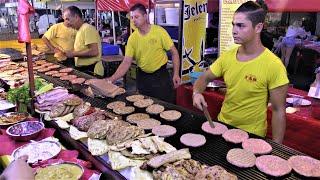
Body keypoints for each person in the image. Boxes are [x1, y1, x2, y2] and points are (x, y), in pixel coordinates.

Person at [193, 1, 289, 144]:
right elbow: (205, 78)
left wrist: (276, 148)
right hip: (223, 127)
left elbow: (278, 111)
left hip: (252, 135)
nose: (234, 30)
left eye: (241, 25)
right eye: (233, 24)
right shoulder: (227, 57)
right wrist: (197, 93)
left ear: (258, 27)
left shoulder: (274, 65)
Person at [87, 3, 181, 103]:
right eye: (132, 17)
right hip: (143, 77)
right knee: (143, 105)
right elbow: (127, 62)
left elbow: (174, 53)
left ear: (145, 16)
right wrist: (112, 79)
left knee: (166, 105)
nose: (133, 20)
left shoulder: (159, 32)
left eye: (136, 17)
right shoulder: (132, 38)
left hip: (160, 76)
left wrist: (176, 74)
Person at [63, 6, 104, 76]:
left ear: (76, 17)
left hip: (92, 70)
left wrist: (73, 54)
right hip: (84, 69)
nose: (66, 23)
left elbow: (94, 51)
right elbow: (83, 48)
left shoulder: (87, 28)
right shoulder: (79, 30)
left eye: (67, 19)